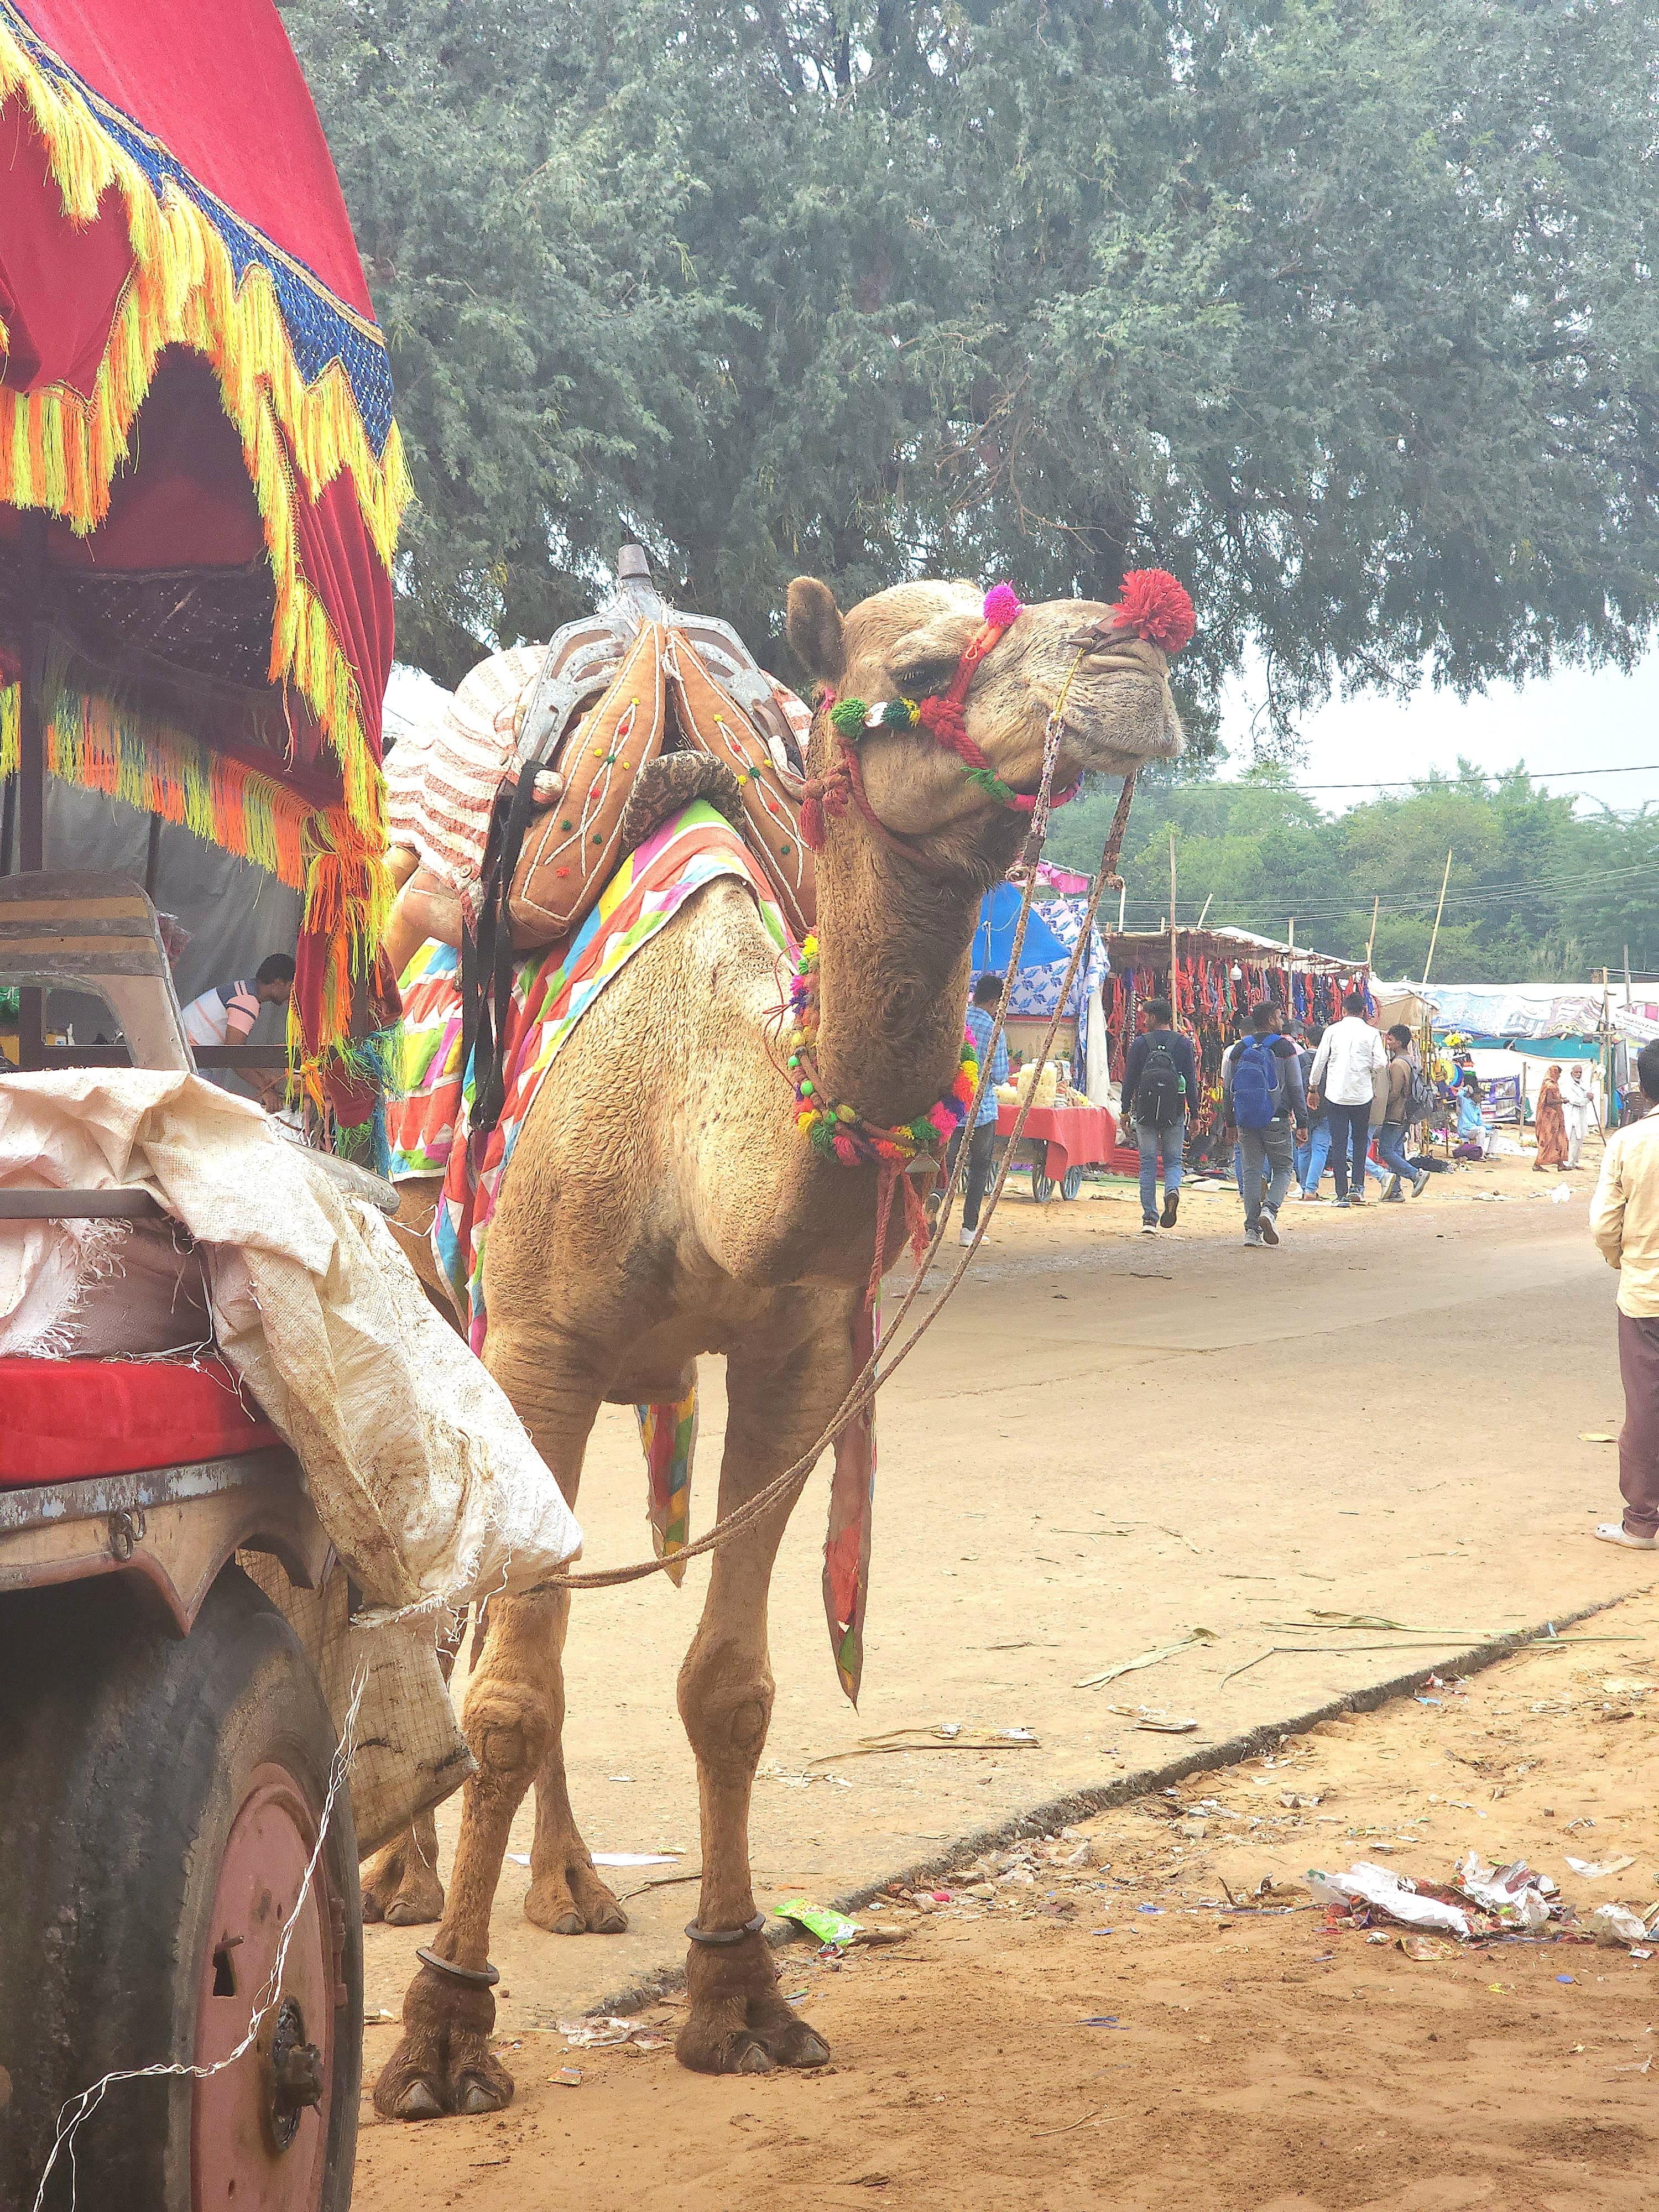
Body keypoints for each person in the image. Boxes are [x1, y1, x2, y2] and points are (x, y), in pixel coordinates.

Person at [1589, 1040, 1659, 1548]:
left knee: (1648, 1405)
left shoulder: (1631, 1141)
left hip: (1646, 1293)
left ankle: (1643, 1521)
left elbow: (1604, 1224)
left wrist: (1625, 1262)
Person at [1223, 999, 1307, 1248]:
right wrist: (1302, 1120)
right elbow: (1295, 1086)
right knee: (1283, 1168)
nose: (1282, 1021)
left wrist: (1230, 1122)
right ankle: (1269, 1210)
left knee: (1251, 1172)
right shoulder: (1285, 1048)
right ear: (1271, 1019)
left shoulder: (1239, 1049)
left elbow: (1228, 1089)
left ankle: (1251, 1231)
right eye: (1280, 1016)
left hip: (1246, 1120)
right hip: (1276, 1118)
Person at [1119, 995, 1196, 1233]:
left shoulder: (1141, 1043)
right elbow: (1190, 1082)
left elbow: (1129, 1080)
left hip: (1145, 1111)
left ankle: (1149, 1220)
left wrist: (1124, 1111)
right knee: (1174, 1161)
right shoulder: (1183, 1043)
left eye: (1145, 1016)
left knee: (1148, 1164)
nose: (1143, 1021)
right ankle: (1172, 1190)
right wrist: (1194, 1113)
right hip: (1174, 1111)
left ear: (1153, 1017)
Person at [1307, 989, 1386, 1207]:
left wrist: (1313, 1088)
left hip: (1336, 1095)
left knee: (1339, 1143)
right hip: (1362, 1095)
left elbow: (1320, 1062)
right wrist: (1364, 1068)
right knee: (1360, 1143)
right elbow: (1381, 1062)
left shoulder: (1332, 1031)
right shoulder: (1372, 1033)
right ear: (1363, 1011)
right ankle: (1358, 1188)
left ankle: (1341, 1193)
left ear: (1342, 1010)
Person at [951, 972, 1010, 1247]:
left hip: (949, 1108)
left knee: (945, 1165)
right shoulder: (995, 1029)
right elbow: (999, 1076)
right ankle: (968, 1230)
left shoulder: (956, 1019)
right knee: (979, 1168)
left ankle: (933, 1205)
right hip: (981, 1110)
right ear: (995, 1000)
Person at [180, 953, 295, 1048]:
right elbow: (234, 1055)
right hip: (187, 1054)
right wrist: (264, 1076)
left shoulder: (243, 989)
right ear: (278, 983)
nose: (292, 994)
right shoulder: (247, 1001)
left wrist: (266, 1075)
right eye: (291, 987)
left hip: (184, 1047)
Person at [1376, 1025, 1431, 1199]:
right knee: (1396, 1150)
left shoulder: (1398, 1064)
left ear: (1399, 1043)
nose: (1388, 1042)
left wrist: (1379, 1106)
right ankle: (1395, 1191)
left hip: (1395, 1115)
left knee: (1385, 1150)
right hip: (1406, 1114)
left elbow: (1394, 1093)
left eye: (1390, 1039)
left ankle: (1415, 1175)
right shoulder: (1410, 1060)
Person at [1533, 1063, 1569, 1172]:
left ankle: (1560, 1163)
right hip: (1549, 1118)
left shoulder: (1553, 1085)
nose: (1559, 1076)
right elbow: (1549, 1102)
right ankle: (1537, 1164)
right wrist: (1561, 1101)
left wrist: (1561, 1099)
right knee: (1547, 1140)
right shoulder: (1550, 1086)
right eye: (1558, 1074)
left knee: (1560, 1139)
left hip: (1556, 1117)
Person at [1561, 1063, 1594, 1170]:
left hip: (1580, 1117)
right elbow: (1576, 1101)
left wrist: (1589, 1097)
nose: (1579, 1074)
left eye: (1580, 1072)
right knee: (1572, 1140)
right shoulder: (1568, 1085)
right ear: (1572, 1073)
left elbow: (1586, 1094)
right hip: (1571, 1117)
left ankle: (1574, 1162)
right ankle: (1568, 1163)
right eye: (1577, 1072)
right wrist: (1588, 1099)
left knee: (1579, 1141)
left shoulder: (1582, 1084)